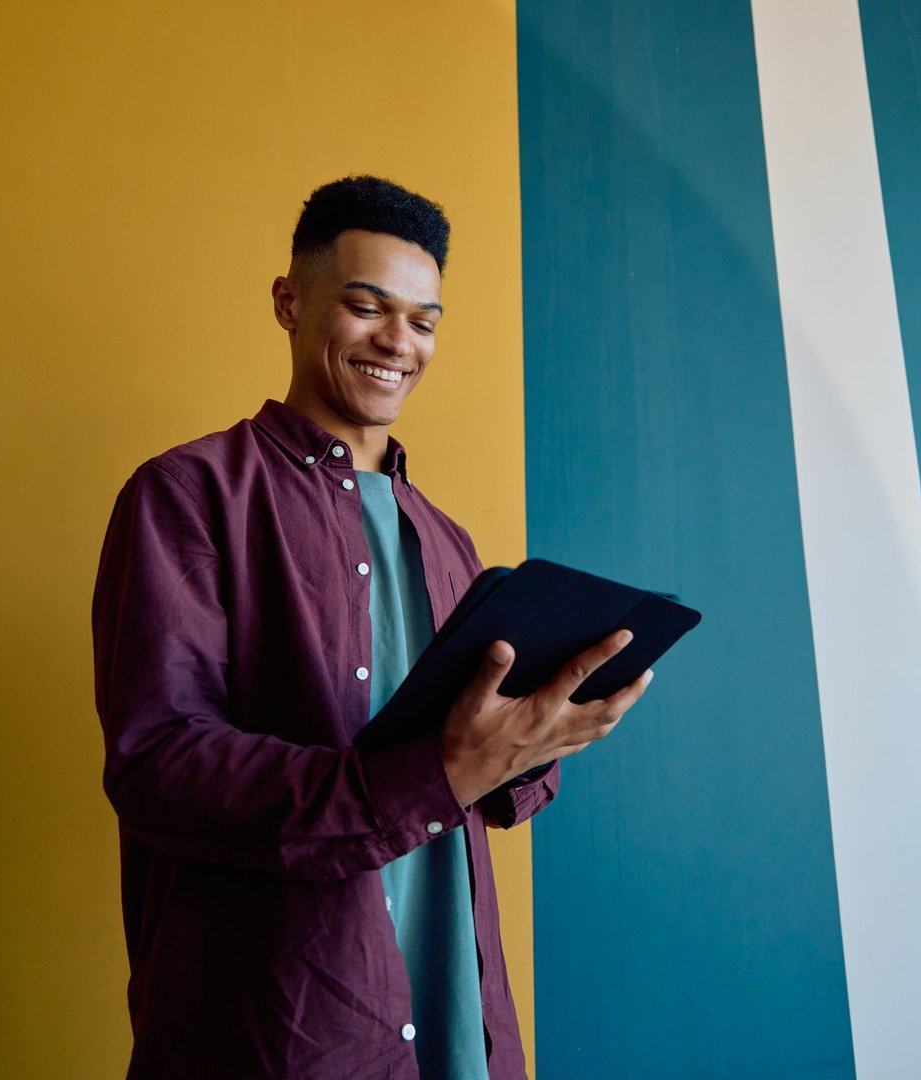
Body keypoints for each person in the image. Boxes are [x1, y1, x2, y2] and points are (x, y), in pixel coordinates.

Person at [91, 175, 652, 1079]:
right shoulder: (187, 495)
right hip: (282, 1026)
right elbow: (162, 763)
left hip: (454, 1020)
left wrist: (536, 739)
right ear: (290, 301)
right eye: (367, 307)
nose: (399, 342)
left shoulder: (447, 540)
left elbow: (482, 786)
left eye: (425, 321)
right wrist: (437, 772)